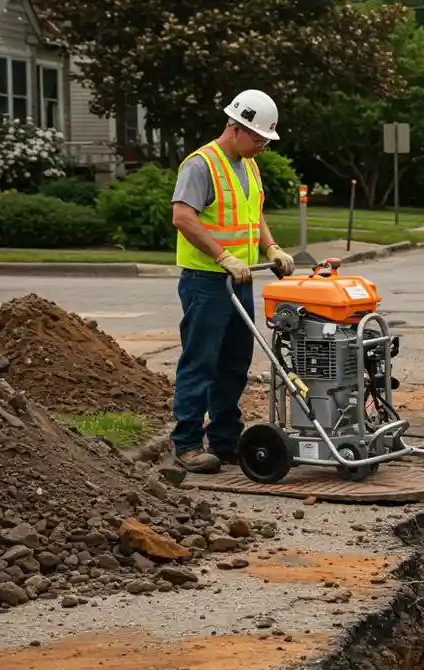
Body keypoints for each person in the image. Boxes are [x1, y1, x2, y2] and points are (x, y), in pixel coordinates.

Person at [169, 89, 295, 474]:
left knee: (235, 362)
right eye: (258, 138)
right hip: (206, 280)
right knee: (200, 361)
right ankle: (187, 443)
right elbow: (183, 217)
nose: (262, 146)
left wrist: (271, 248)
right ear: (236, 127)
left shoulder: (250, 166)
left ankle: (224, 440)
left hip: (239, 280)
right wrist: (221, 256)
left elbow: (253, 217)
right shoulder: (201, 164)